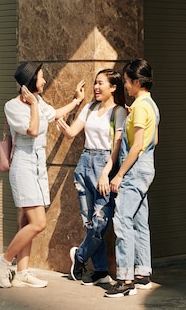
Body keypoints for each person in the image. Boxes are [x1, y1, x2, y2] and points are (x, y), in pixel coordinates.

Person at [0, 61, 85, 289]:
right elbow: (32, 130)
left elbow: (54, 114)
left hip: (38, 168)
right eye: (41, 77)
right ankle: (3, 261)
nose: (44, 81)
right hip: (23, 167)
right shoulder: (12, 106)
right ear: (31, 80)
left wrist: (76, 101)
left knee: (26, 220)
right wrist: (33, 104)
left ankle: (22, 272)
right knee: (39, 223)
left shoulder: (40, 102)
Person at [57, 69, 128, 286]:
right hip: (84, 163)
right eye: (95, 83)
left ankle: (79, 256)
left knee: (100, 221)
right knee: (90, 223)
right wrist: (76, 102)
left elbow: (116, 147)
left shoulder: (119, 112)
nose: (96, 88)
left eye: (101, 84)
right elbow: (71, 133)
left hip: (104, 164)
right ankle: (100, 271)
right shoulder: (90, 107)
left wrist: (107, 172)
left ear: (113, 87)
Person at [104, 59, 160, 298]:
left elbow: (136, 147)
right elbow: (153, 140)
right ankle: (143, 273)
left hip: (134, 170)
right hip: (147, 168)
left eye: (127, 81)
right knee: (139, 220)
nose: (126, 86)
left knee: (123, 221)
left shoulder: (139, 107)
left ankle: (125, 279)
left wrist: (119, 174)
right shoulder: (152, 106)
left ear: (137, 82)